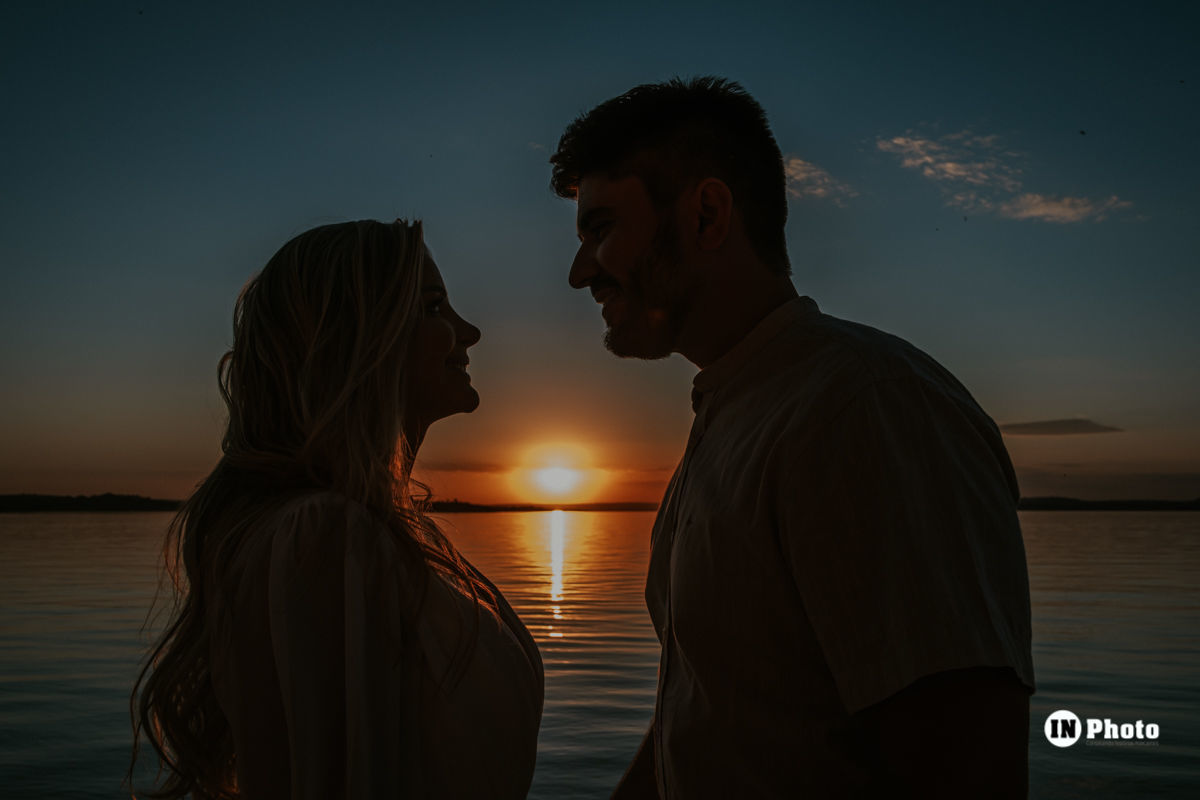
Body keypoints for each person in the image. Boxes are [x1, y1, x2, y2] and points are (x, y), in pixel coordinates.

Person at [551, 78, 1035, 798]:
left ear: (708, 214)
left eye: (601, 229)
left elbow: (965, 756)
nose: (579, 272)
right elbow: (709, 712)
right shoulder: (736, 413)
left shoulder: (863, 408)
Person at [129, 220, 543, 799]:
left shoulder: (377, 534)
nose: (469, 331)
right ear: (356, 339)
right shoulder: (323, 538)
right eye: (433, 307)